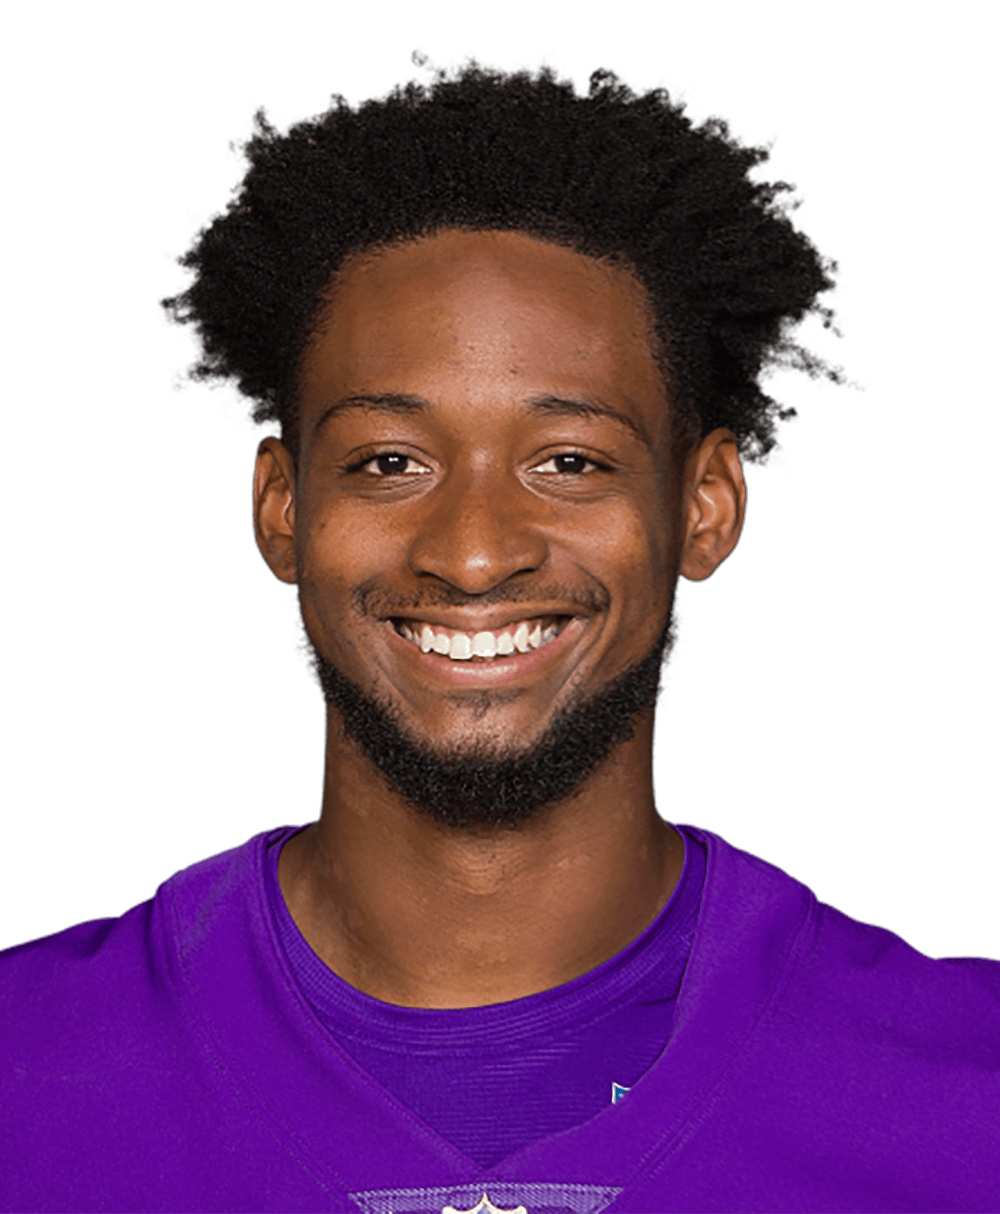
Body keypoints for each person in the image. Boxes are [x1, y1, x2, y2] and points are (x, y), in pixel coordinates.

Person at [2, 49, 997, 1214]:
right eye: (389, 461)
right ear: (283, 508)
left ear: (704, 505)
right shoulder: (27, 1075)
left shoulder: (968, 1092)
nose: (474, 551)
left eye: (569, 461)